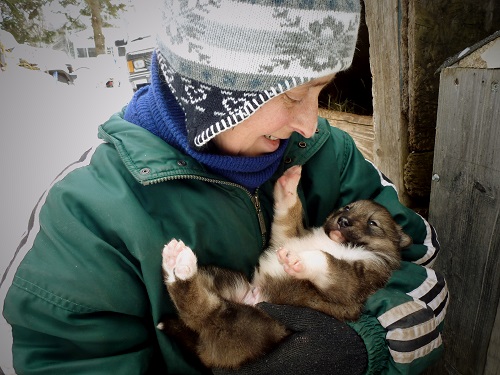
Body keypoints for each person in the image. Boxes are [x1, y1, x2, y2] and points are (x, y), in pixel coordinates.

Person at [2, 0, 449, 374]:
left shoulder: (332, 156)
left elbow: (421, 274)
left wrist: (362, 344)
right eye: (293, 95)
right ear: (215, 91)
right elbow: (64, 361)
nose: (311, 125)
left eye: (322, 91)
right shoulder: (87, 213)